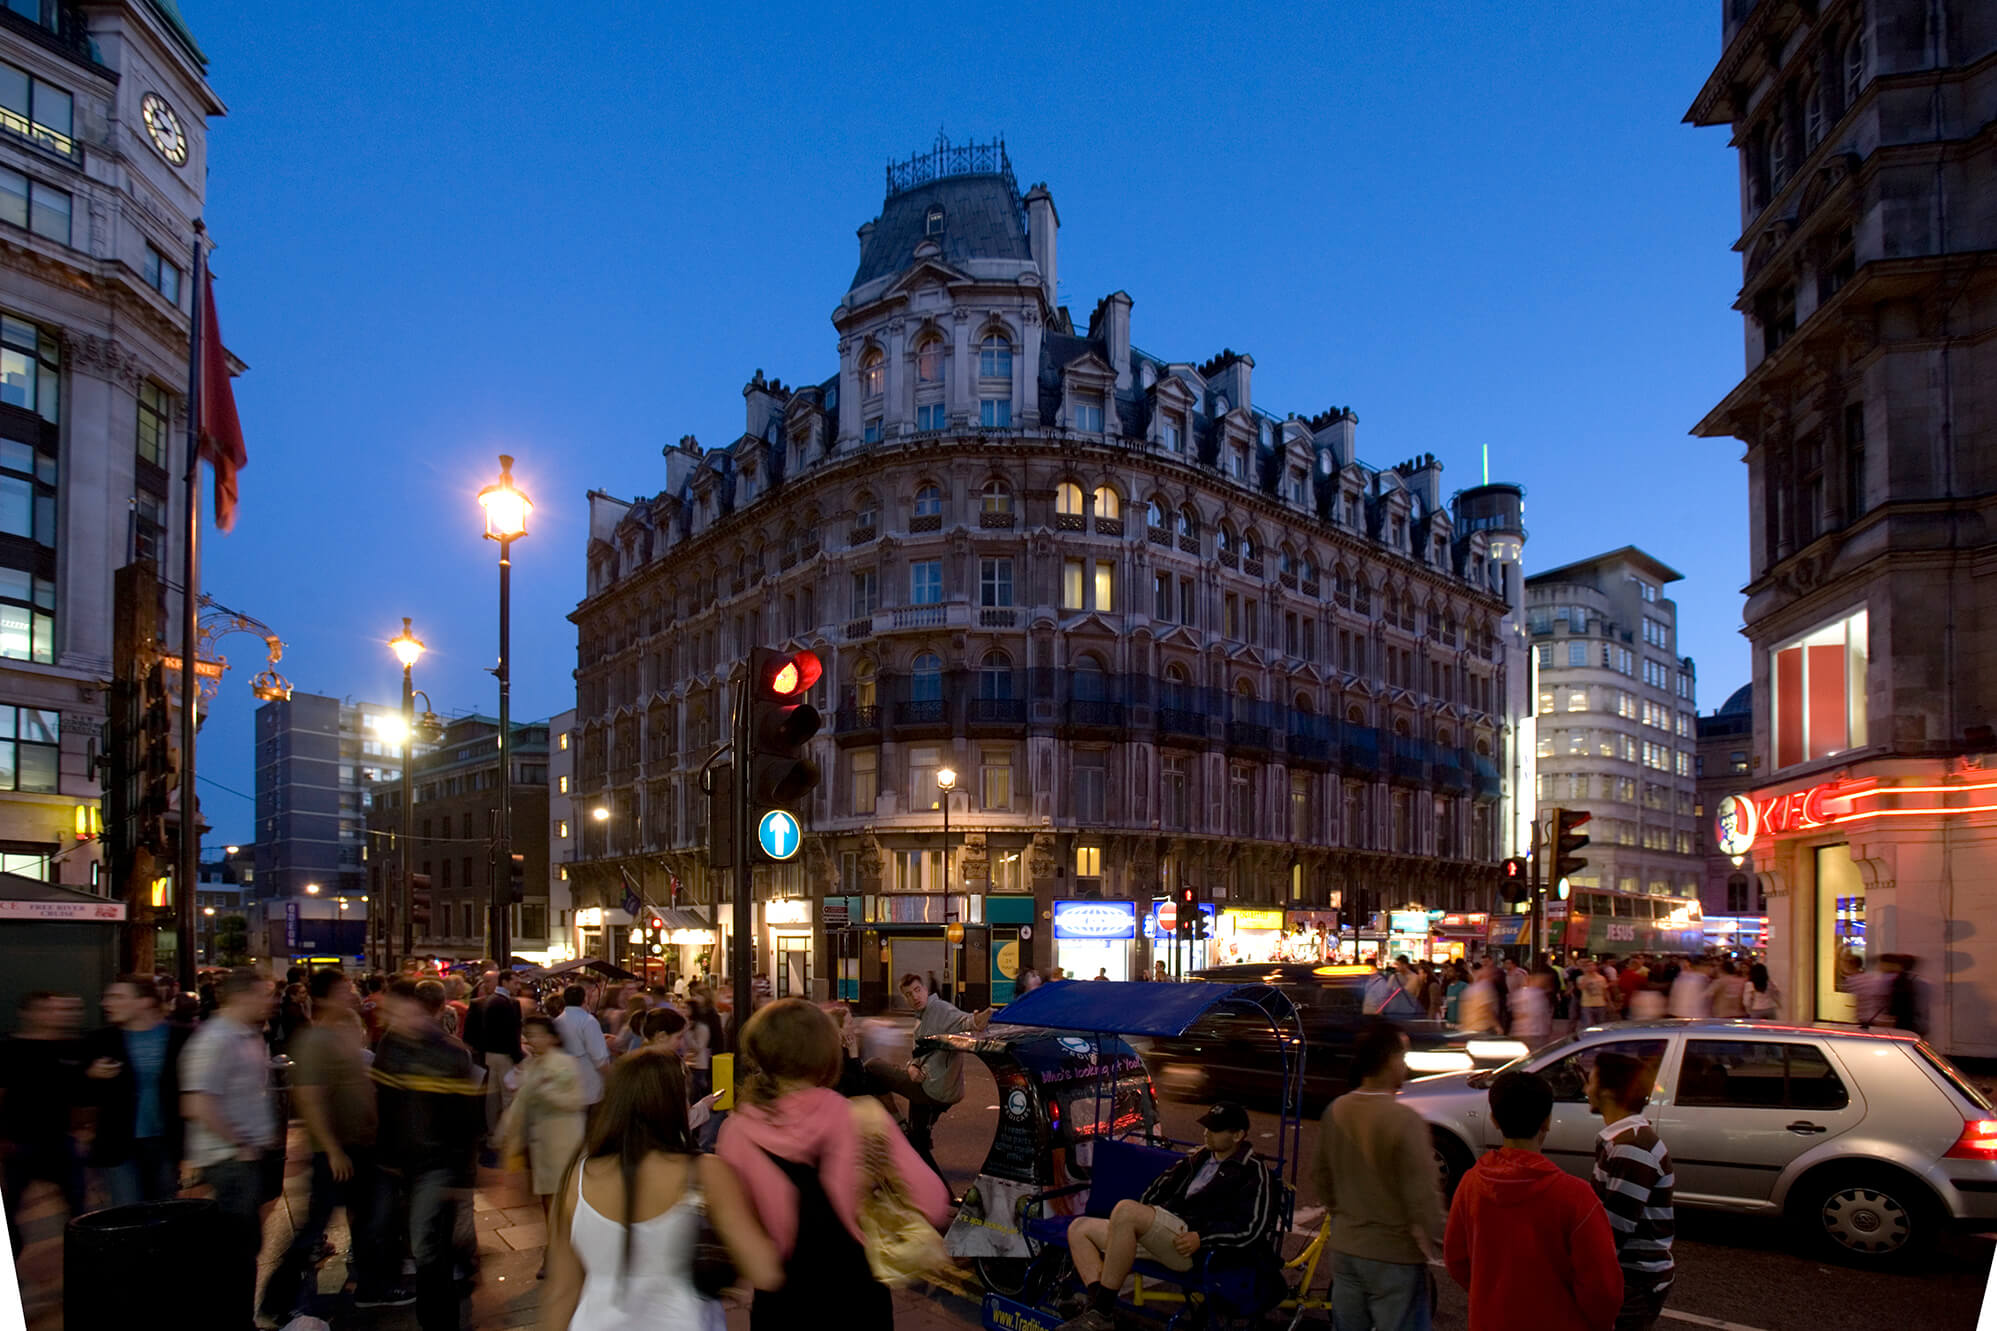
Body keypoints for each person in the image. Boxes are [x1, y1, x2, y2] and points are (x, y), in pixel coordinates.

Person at [719, 999, 950, 1330]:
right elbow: (932, 1202)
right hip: (858, 1298)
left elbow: (752, 1252)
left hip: (782, 1306)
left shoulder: (737, 1133)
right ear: (825, 1054)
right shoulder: (862, 1118)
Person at [542, 1047, 778, 1330]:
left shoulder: (576, 1178)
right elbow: (764, 1271)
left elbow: (561, 1292)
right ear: (674, 1102)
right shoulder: (707, 1172)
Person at [1060, 1102, 1277, 1331]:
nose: (1206, 1133)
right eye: (1207, 1127)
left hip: (1190, 1244)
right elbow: (1156, 1188)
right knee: (1079, 1228)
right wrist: (1146, 1215)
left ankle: (1100, 1314)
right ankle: (1098, 1311)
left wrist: (1201, 1237)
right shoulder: (1200, 1158)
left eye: (1215, 1129)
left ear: (1238, 1135)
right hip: (1162, 1232)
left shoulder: (1253, 1171)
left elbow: (1252, 1227)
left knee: (1125, 1210)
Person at [264, 988, 406, 1319]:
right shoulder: (319, 1044)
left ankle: (373, 1286)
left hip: (356, 1147)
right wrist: (331, 1149)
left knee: (369, 1218)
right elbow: (311, 1099)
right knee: (319, 1226)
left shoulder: (341, 1044)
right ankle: (280, 1299)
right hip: (341, 1150)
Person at [1444, 1070, 1624, 1331]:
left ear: (1494, 1119)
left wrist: (1492, 1294)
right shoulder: (1575, 1196)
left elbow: (1456, 1259)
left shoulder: (1471, 1184)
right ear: (1547, 1121)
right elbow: (1603, 1287)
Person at [1313, 1025, 1445, 1331]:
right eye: (1403, 1056)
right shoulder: (1404, 1119)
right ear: (1389, 1059)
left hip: (1346, 1250)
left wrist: (1343, 1214)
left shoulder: (1337, 1109)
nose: (1406, 1064)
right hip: (1393, 1254)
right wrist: (1444, 1240)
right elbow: (1422, 1196)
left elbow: (1321, 1177)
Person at [373, 979, 484, 1331]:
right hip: (402, 1160)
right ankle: (437, 1313)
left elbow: (465, 1118)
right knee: (425, 1244)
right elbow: (386, 1103)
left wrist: (463, 1174)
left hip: (438, 1163)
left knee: (427, 1245)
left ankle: (440, 1319)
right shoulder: (391, 1045)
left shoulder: (447, 1052)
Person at [179, 970, 279, 1315]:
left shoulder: (247, 1036)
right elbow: (197, 1103)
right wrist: (240, 1144)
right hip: (229, 1159)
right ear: (242, 996)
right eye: (264, 994)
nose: (271, 1001)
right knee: (237, 1249)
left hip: (244, 1155)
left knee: (244, 1244)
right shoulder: (216, 1039)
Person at [863, 973, 992, 1177]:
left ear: (925, 989)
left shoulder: (939, 1009)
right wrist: (912, 1067)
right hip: (930, 1083)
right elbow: (919, 1054)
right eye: (908, 994)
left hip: (934, 1087)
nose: (914, 997)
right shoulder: (921, 1018)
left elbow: (966, 1021)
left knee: (872, 1066)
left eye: (917, 990)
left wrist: (980, 1018)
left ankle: (896, 1120)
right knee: (917, 1140)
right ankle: (935, 1189)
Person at [84, 975, 189, 1206]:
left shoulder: (181, 1037)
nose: (107, 1003)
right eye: (107, 997)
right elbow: (81, 1096)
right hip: (120, 1143)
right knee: (128, 1210)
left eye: (118, 996)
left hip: (165, 1140)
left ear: (144, 1001)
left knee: (164, 1207)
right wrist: (91, 1075)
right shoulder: (102, 1039)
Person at [1588, 1052, 1675, 1331]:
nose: (1585, 1089)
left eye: (1590, 1081)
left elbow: (1614, 1231)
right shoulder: (1625, 1141)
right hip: (1632, 1278)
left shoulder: (1631, 1148)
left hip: (1634, 1282)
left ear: (1608, 1092)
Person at [499, 1014, 587, 1278]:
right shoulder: (531, 1066)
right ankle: (557, 1250)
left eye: (538, 1034)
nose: (532, 1039)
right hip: (543, 1148)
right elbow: (520, 1106)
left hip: (564, 1143)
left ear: (552, 1037)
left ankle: (566, 1252)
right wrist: (507, 1136)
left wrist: (543, 1090)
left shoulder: (564, 1064)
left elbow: (573, 1100)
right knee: (549, 1204)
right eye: (529, 1034)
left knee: (566, 1202)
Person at [0, 991, 86, 1253]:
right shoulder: (10, 1049)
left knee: (77, 1211)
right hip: (21, 1141)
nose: (54, 1015)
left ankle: (81, 1262)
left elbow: (77, 1093)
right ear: (27, 1013)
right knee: (10, 1209)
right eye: (47, 1010)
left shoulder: (70, 1046)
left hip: (60, 1140)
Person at [467, 973, 526, 1142]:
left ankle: (493, 1132)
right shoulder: (507, 1003)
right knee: (509, 1096)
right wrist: (518, 1058)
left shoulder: (484, 1002)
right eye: (515, 982)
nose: (518, 986)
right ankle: (506, 1135)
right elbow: (511, 1034)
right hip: (504, 1055)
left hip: (488, 1055)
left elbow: (472, 1033)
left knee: (492, 1097)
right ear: (505, 982)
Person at [554, 983, 612, 1108]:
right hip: (588, 1084)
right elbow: (599, 1057)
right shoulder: (588, 1021)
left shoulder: (557, 1021)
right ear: (585, 999)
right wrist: (610, 1076)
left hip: (565, 1082)